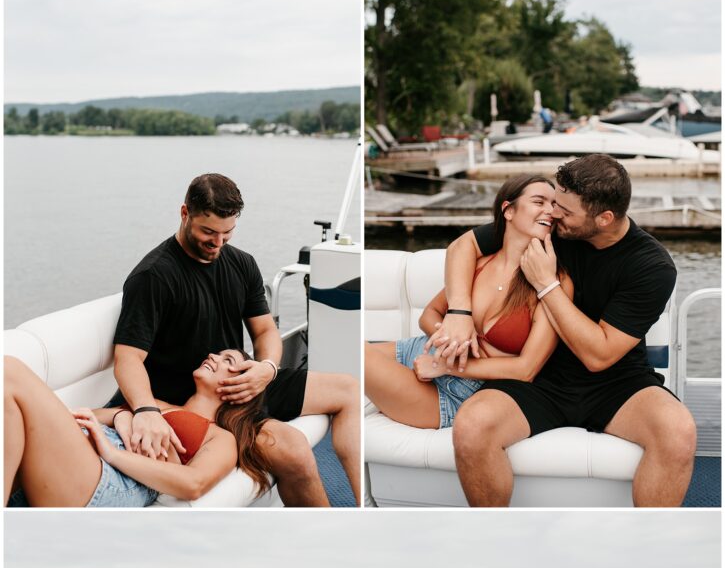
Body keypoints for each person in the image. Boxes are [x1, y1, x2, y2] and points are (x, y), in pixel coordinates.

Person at [442, 153, 696, 507]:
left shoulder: (651, 267)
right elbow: (462, 246)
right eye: (553, 203)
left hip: (617, 382)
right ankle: (495, 543)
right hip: (539, 376)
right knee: (472, 426)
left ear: (604, 218)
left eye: (565, 209)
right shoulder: (551, 226)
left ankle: (646, 550)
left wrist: (547, 285)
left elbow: (599, 356)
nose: (553, 213)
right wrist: (458, 311)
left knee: (678, 432)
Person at [112, 172, 360, 506]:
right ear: (185, 214)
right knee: (295, 451)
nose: (217, 243)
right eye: (208, 232)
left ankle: (361, 507)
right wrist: (145, 409)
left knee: (349, 389)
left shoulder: (242, 264)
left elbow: (264, 331)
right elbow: (127, 359)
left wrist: (268, 368)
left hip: (244, 381)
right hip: (199, 400)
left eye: (227, 234)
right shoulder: (153, 277)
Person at [365, 175, 573, 430]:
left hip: (455, 390)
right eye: (539, 201)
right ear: (508, 211)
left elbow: (526, 369)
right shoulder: (477, 264)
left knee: (357, 356)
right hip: (418, 350)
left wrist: (446, 366)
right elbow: (428, 315)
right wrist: (459, 339)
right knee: (342, 353)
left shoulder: (552, 281)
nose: (550, 211)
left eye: (553, 204)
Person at [4, 349, 271, 507]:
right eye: (218, 353)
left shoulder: (220, 437)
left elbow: (193, 484)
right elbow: (78, 417)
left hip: (111, 481)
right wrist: (124, 417)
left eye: (228, 361)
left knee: (9, 370)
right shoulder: (153, 404)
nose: (213, 356)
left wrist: (114, 454)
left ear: (241, 387)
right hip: (79, 461)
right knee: (10, 407)